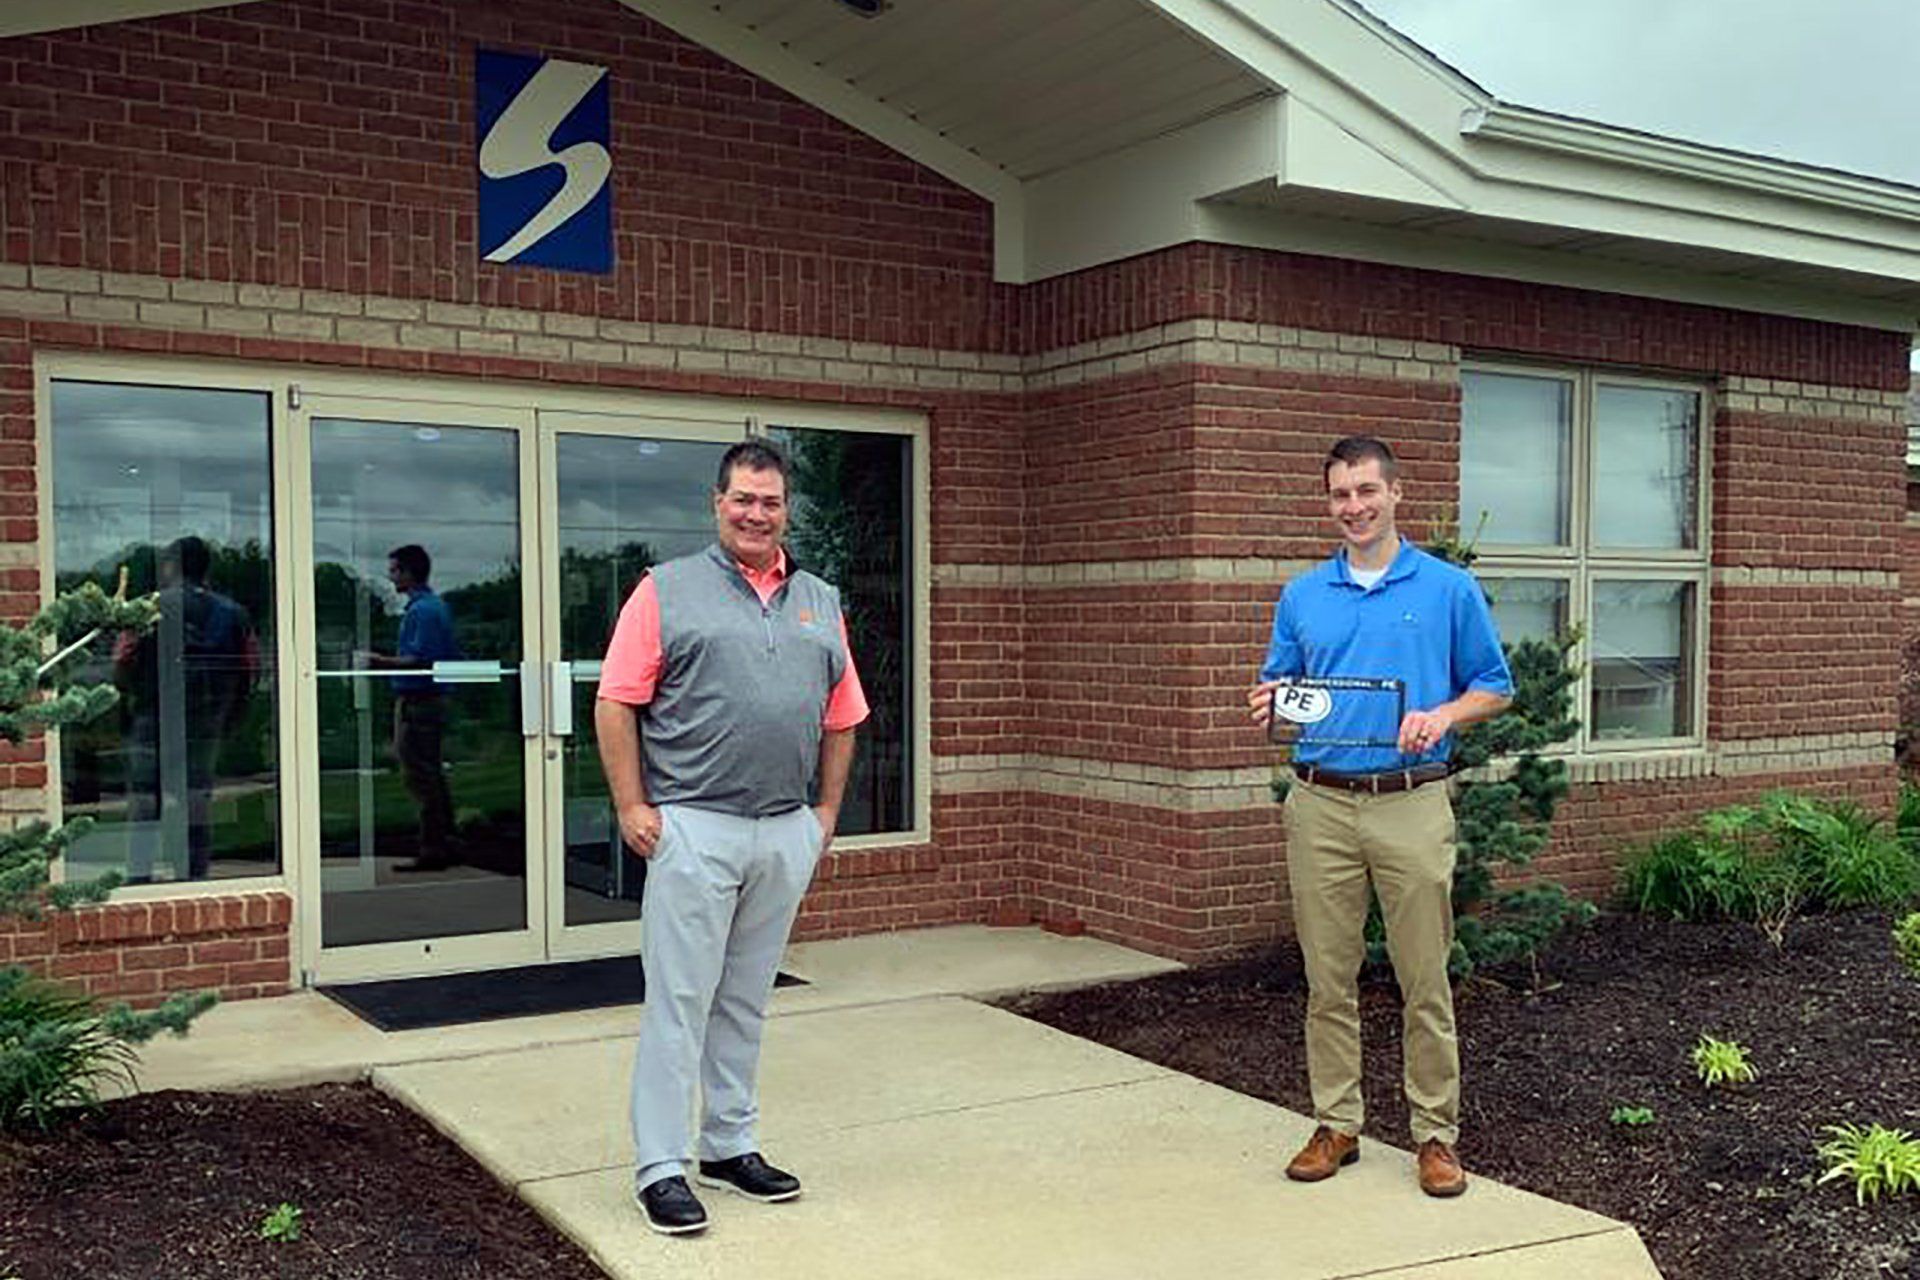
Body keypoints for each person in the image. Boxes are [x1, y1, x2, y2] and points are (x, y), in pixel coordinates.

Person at [594, 439, 867, 1237]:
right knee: (679, 1001)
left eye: (771, 501)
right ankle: (660, 1166)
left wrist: (824, 814)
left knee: (746, 998)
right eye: (743, 499)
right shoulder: (665, 591)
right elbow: (617, 700)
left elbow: (843, 714)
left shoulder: (819, 597)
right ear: (718, 503)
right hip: (693, 825)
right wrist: (632, 807)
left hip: (783, 829)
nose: (756, 513)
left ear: (788, 510)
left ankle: (729, 1145)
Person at [1247, 436, 1512, 1199]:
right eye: (1340, 495)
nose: (1354, 508)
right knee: (1327, 979)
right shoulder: (1302, 595)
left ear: (1397, 493)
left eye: (1366, 491)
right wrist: (1271, 701)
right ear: (1328, 503)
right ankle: (1338, 1123)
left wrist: (1444, 714)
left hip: (1412, 802)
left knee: (1423, 978)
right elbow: (1286, 689)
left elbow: (1494, 686)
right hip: (1321, 802)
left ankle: (1435, 1136)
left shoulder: (1447, 589)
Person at [115, 535, 258, 882]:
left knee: (146, 800)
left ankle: (139, 877)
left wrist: (128, 697)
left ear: (170, 567)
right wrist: (231, 714)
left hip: (153, 716)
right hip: (206, 720)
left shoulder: (146, 607)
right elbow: (250, 670)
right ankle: (193, 875)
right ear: (205, 569)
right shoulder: (234, 614)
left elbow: (122, 661)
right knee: (196, 798)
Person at [361, 544, 460, 872]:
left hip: (421, 702)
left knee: (421, 776)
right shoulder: (427, 608)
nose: (390, 577)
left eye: (394, 570)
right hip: (425, 701)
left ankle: (434, 848)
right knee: (429, 773)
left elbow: (421, 660)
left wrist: (379, 662)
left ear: (407, 572)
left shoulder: (425, 611)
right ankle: (446, 841)